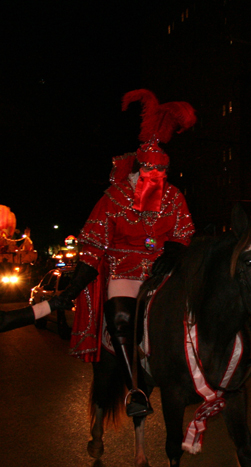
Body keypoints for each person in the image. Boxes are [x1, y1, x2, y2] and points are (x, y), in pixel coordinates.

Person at [0, 90, 196, 418]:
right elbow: (92, 248)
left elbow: (184, 232)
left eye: (162, 176)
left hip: (162, 268)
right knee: (119, 308)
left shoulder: (173, 197)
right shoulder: (114, 198)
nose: (158, 182)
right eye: (151, 176)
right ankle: (133, 386)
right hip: (124, 270)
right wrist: (73, 289)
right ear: (139, 173)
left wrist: (174, 251)